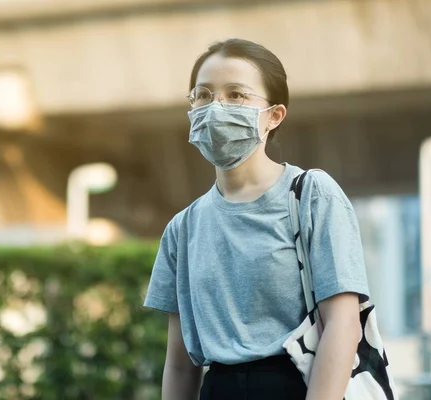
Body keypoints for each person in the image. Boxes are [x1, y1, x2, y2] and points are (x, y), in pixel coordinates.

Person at [143, 38, 370, 400]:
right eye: (203, 95)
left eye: (236, 95)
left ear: (274, 115)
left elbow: (343, 327)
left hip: (297, 386)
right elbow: (180, 364)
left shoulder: (311, 195)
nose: (216, 106)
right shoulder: (182, 228)